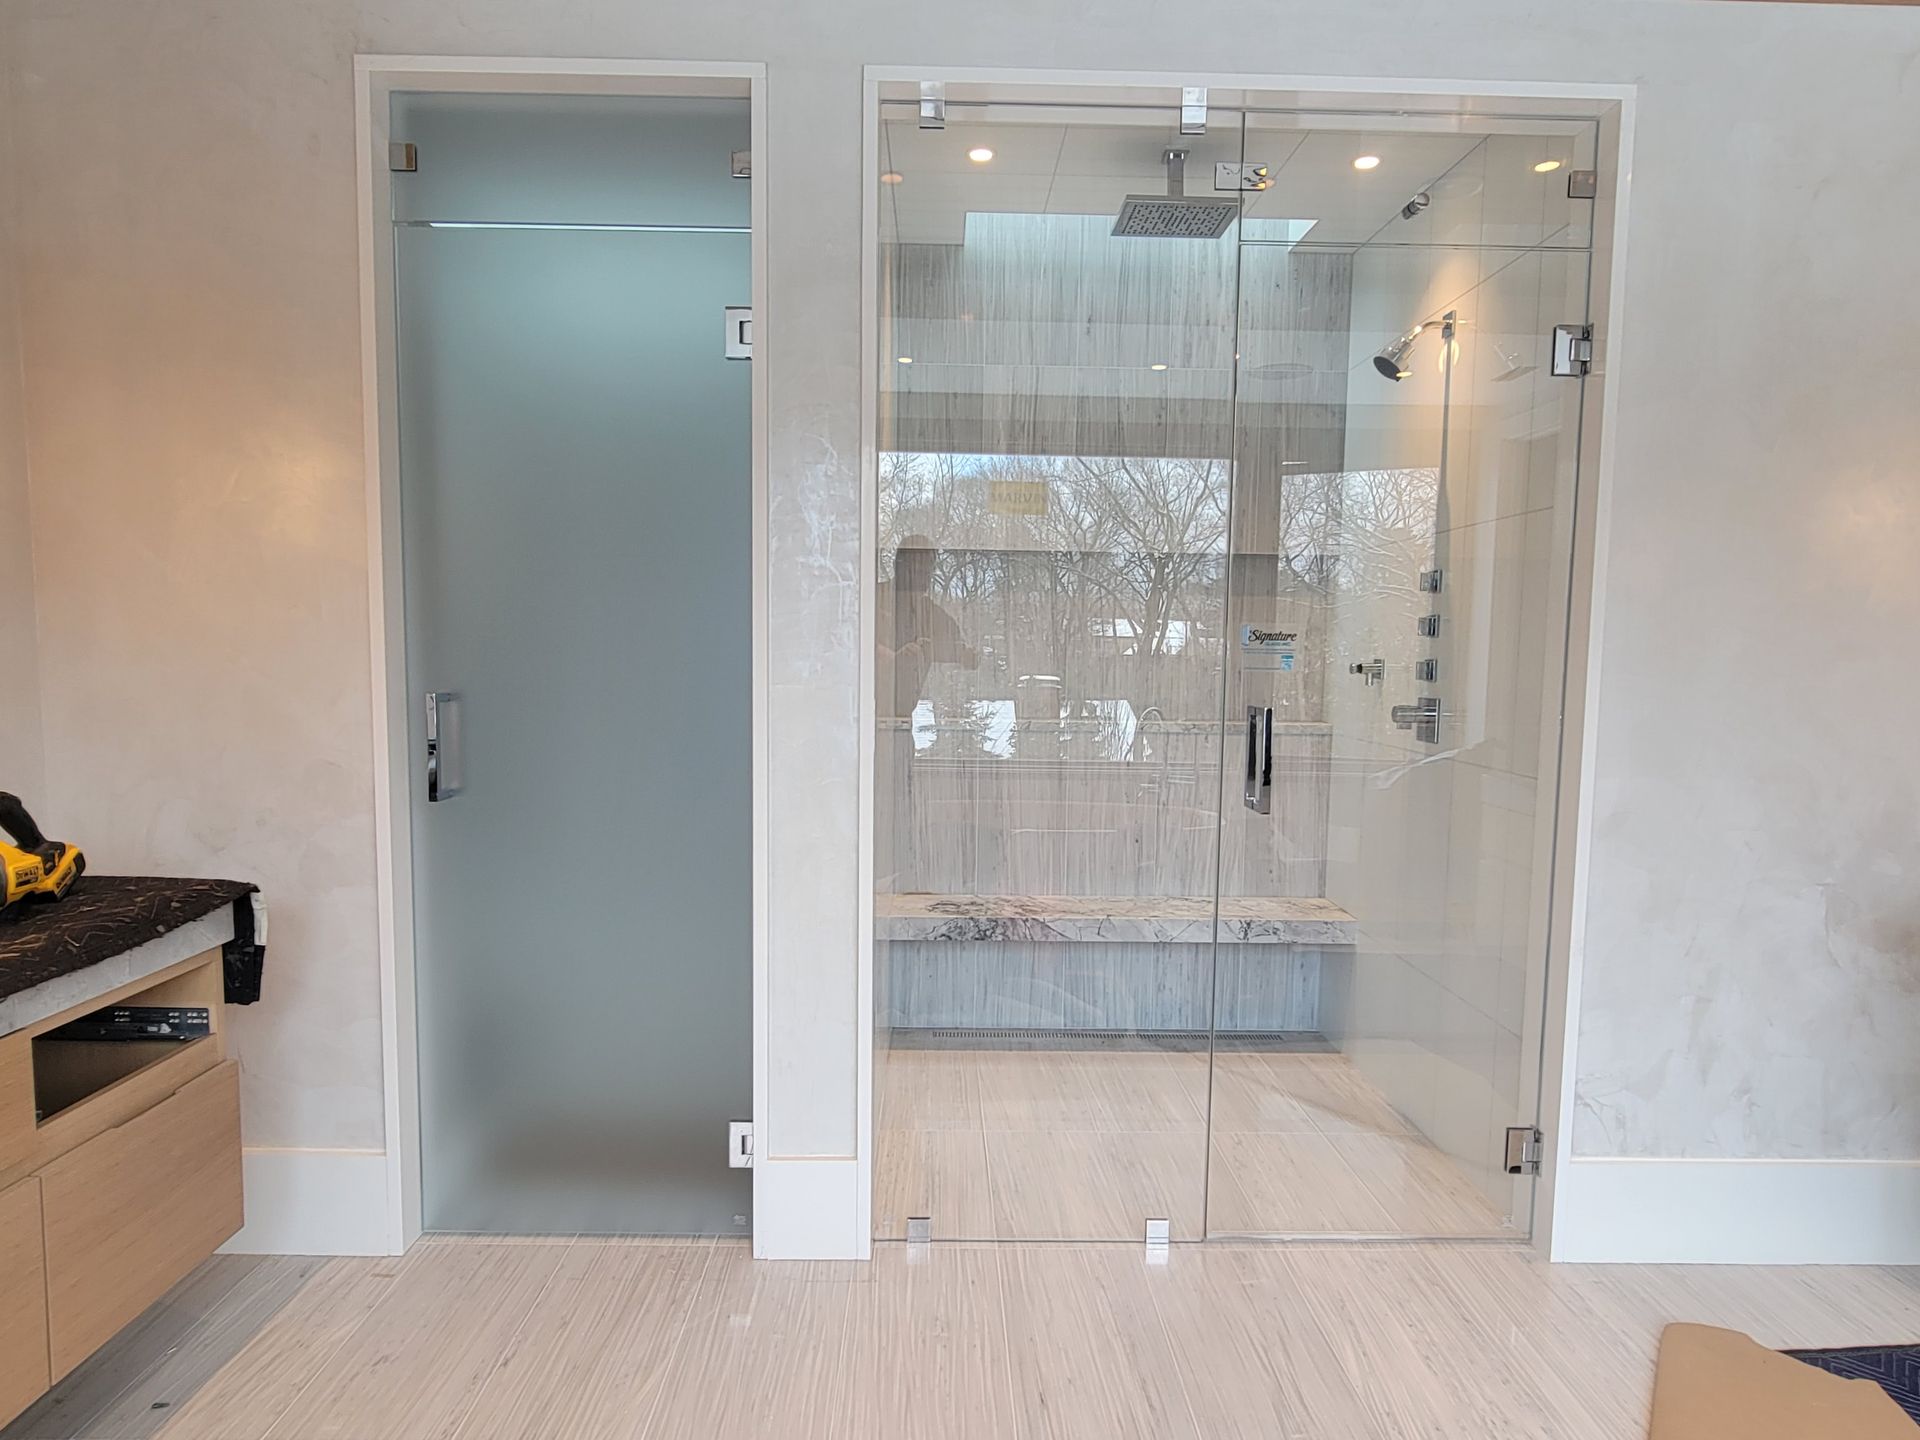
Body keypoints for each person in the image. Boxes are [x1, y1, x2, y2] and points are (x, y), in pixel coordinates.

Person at [877, 535, 977, 715]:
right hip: (863, 718)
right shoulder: (873, 601)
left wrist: (968, 655)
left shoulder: (931, 614)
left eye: (928, 568)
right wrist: (893, 659)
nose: (924, 575)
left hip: (902, 723)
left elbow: (964, 654)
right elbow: (852, 649)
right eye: (917, 567)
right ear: (899, 566)